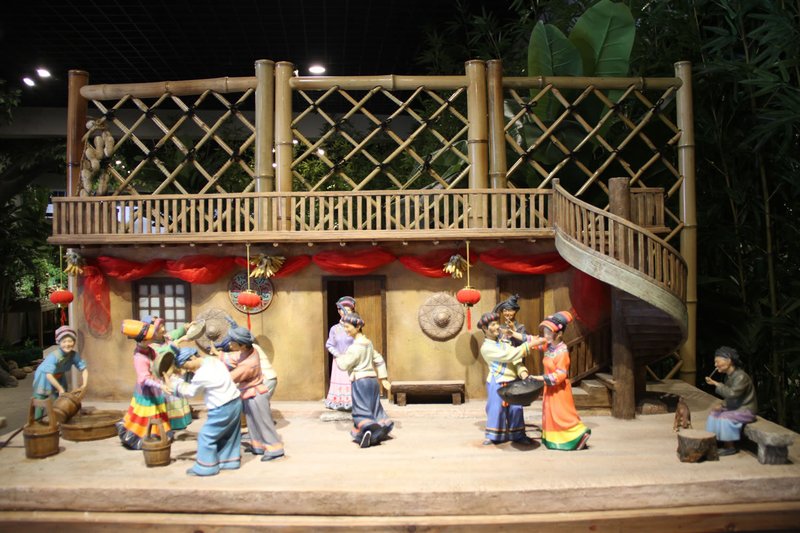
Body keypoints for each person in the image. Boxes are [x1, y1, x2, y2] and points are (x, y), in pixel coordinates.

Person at [116, 317, 195, 450]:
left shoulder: (149, 350)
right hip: (147, 390)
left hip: (156, 385)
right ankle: (143, 437)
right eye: (150, 337)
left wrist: (167, 376)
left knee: (158, 412)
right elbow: (145, 379)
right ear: (144, 340)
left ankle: (160, 434)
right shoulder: (140, 357)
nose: (153, 338)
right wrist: (161, 385)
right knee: (147, 414)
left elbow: (159, 363)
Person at [163, 346, 243, 476]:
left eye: (186, 366)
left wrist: (173, 384)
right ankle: (229, 461)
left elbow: (190, 392)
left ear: (192, 357)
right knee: (229, 434)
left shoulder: (202, 373)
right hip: (235, 401)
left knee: (206, 436)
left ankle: (207, 467)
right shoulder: (213, 361)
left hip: (222, 407)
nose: (187, 369)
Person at [212, 326, 284, 461]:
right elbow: (235, 357)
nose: (230, 344)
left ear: (242, 345)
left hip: (257, 395)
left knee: (263, 422)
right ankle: (258, 446)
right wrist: (219, 355)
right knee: (252, 422)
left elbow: (232, 377)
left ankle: (275, 449)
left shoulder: (249, 364)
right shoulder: (249, 351)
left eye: (232, 341)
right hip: (249, 394)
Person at [528, 311, 591, 451]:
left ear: (559, 334)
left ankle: (579, 435)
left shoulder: (562, 352)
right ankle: (554, 439)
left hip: (559, 390)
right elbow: (533, 341)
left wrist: (539, 378)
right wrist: (513, 334)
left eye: (549, 333)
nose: (545, 335)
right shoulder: (549, 346)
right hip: (550, 389)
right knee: (551, 414)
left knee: (562, 415)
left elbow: (560, 375)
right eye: (545, 332)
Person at [477, 312, 539, 446]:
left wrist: (523, 372)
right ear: (485, 329)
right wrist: (529, 345)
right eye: (493, 324)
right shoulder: (486, 348)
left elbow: (515, 359)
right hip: (497, 381)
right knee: (496, 409)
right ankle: (494, 435)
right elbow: (509, 355)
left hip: (512, 380)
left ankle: (518, 434)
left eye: (497, 323)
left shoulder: (504, 342)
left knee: (516, 408)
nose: (497, 327)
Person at [335, 312, 393, 448]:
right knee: (374, 407)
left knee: (361, 409)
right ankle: (383, 425)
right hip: (373, 381)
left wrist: (339, 357)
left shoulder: (355, 348)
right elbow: (378, 359)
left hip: (360, 381)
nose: (346, 330)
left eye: (348, 327)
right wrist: (383, 378)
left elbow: (344, 365)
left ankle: (367, 430)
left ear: (357, 327)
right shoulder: (368, 344)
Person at [704, 346, 757, 456]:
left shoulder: (741, 377)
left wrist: (716, 384)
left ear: (728, 361)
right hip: (736, 408)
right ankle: (714, 440)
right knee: (714, 413)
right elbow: (730, 398)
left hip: (746, 410)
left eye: (717, 362)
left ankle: (729, 446)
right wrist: (723, 405)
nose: (715, 365)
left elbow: (732, 394)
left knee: (725, 417)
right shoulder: (729, 376)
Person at [32, 326, 88, 419]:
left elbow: (84, 369)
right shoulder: (54, 356)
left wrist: (84, 385)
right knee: (41, 398)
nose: (67, 344)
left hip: (59, 375)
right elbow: (49, 375)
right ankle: (37, 421)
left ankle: (60, 417)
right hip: (44, 376)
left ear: (74, 342)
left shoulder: (74, 355)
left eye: (70, 341)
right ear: (59, 342)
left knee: (63, 397)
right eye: (64, 341)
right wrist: (60, 388)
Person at [324, 296, 356, 411]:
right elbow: (329, 344)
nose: (345, 312)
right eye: (343, 310)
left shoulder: (354, 327)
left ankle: (353, 402)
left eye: (349, 310)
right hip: (338, 361)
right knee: (340, 380)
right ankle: (338, 401)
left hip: (351, 360)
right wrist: (338, 355)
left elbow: (358, 342)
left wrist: (351, 354)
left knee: (350, 380)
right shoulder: (334, 329)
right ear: (339, 311)